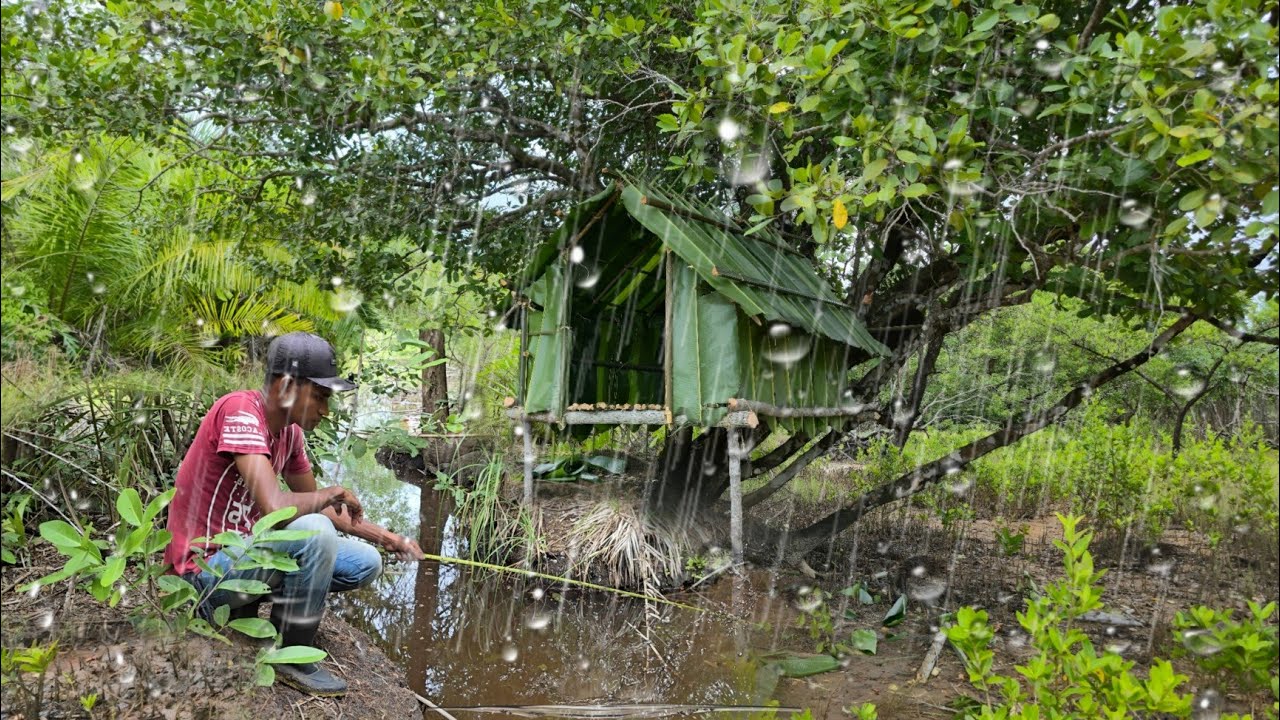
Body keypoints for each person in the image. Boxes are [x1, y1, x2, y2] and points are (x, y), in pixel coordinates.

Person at [163, 331, 423, 696]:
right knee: (314, 531)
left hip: (244, 557)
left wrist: (389, 538)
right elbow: (277, 507)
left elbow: (319, 504)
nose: (325, 410)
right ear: (286, 385)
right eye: (319, 396)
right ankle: (289, 655)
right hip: (203, 573)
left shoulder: (290, 435)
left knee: (366, 561)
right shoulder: (240, 411)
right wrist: (329, 493)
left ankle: (249, 605)